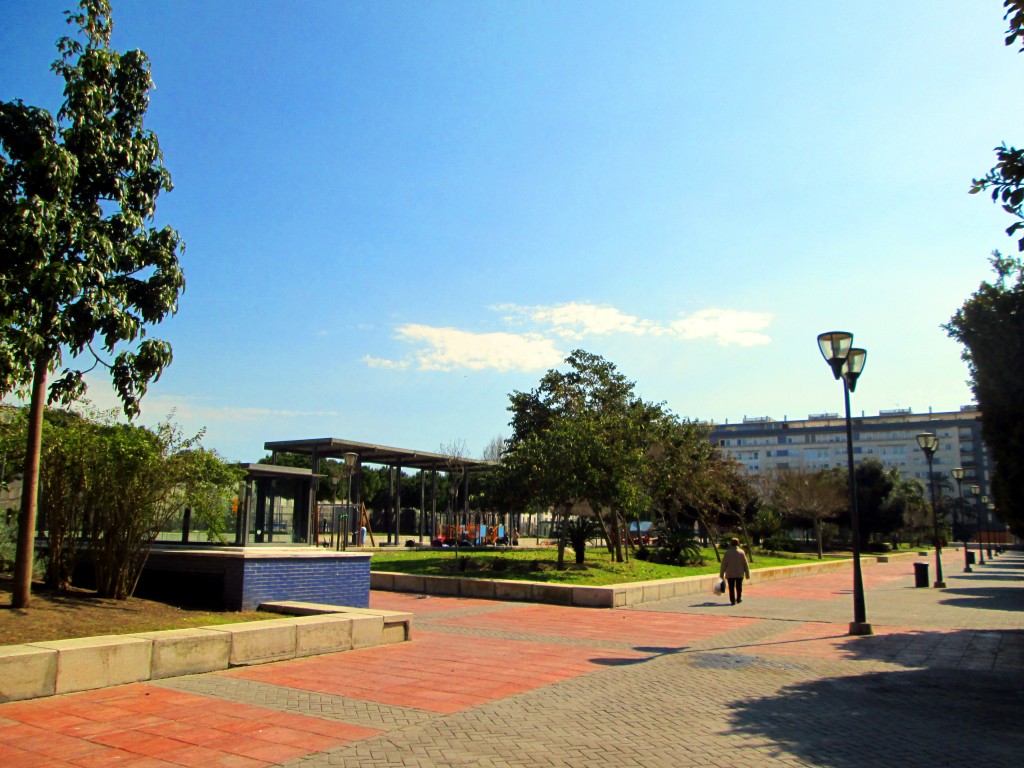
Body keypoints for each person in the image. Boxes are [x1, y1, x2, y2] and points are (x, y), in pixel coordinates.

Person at [719, 537, 751, 605]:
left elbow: (723, 564)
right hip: (739, 573)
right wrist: (747, 574)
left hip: (730, 573)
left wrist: (721, 575)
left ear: (731, 543)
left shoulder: (727, 553)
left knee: (731, 587)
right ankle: (739, 598)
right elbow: (745, 563)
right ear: (738, 543)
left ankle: (732, 600)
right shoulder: (741, 552)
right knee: (739, 587)